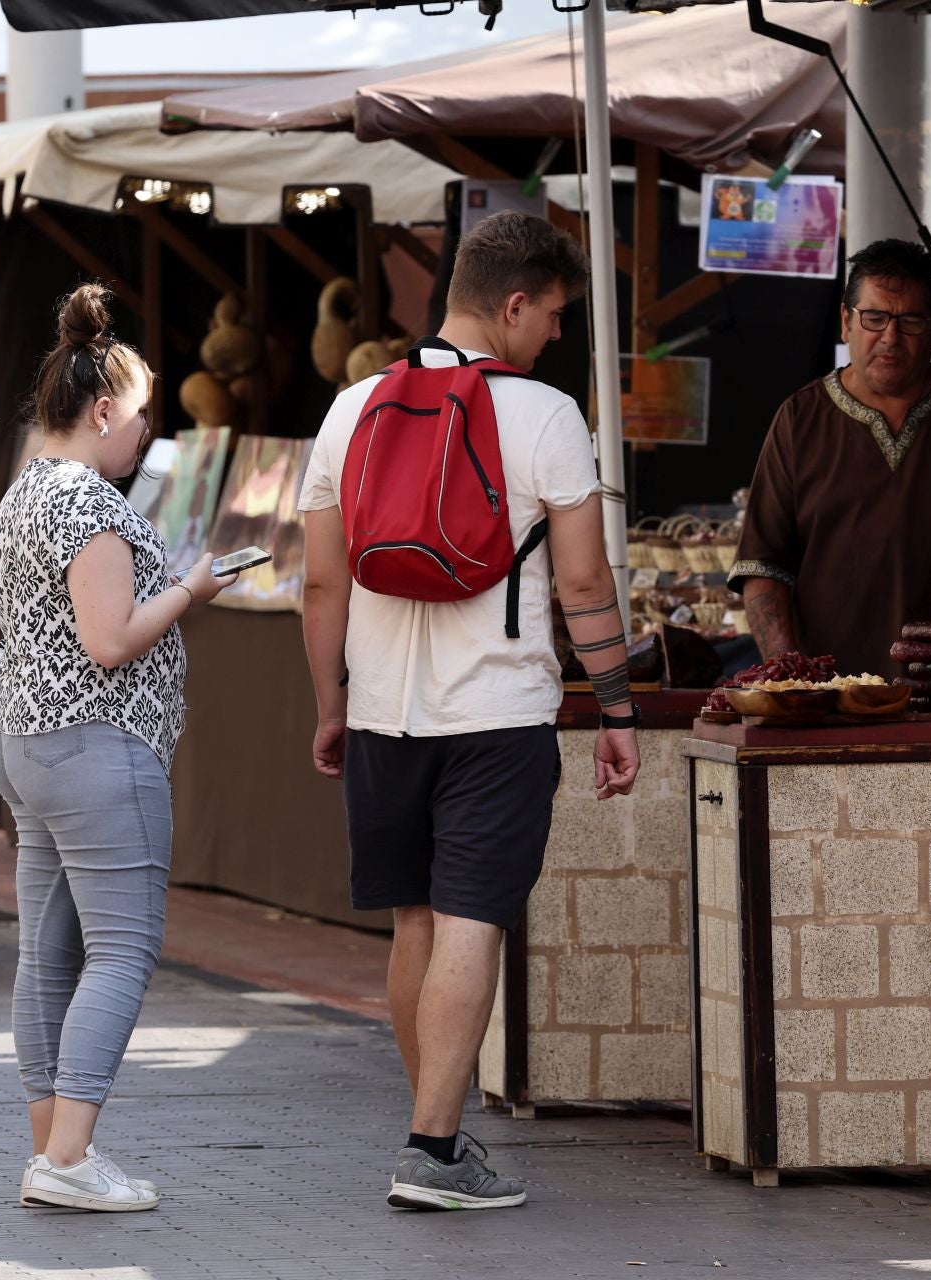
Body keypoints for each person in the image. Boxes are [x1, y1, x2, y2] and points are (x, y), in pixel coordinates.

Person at [297, 210, 640, 1212]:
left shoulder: (350, 407)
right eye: (555, 318)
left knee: (415, 918)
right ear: (515, 303)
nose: (557, 339)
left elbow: (323, 586)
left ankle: (432, 1132)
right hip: (496, 713)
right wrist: (615, 707)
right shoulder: (545, 416)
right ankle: (433, 1144)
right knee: (473, 919)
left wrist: (332, 702)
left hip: (381, 716)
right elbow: (584, 585)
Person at [0, 285, 237, 1213]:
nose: (142, 438)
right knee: (122, 951)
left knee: (46, 957)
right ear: (101, 413)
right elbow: (111, 638)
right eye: (137, 419)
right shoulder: (87, 500)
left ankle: (54, 1148)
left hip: (25, 737)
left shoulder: (21, 493)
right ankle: (69, 1156)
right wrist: (195, 588)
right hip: (96, 744)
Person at [732, 238, 931, 677]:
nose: (890, 337)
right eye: (874, 317)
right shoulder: (799, 419)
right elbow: (763, 567)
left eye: (910, 320)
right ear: (846, 322)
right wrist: (792, 676)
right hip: (834, 702)